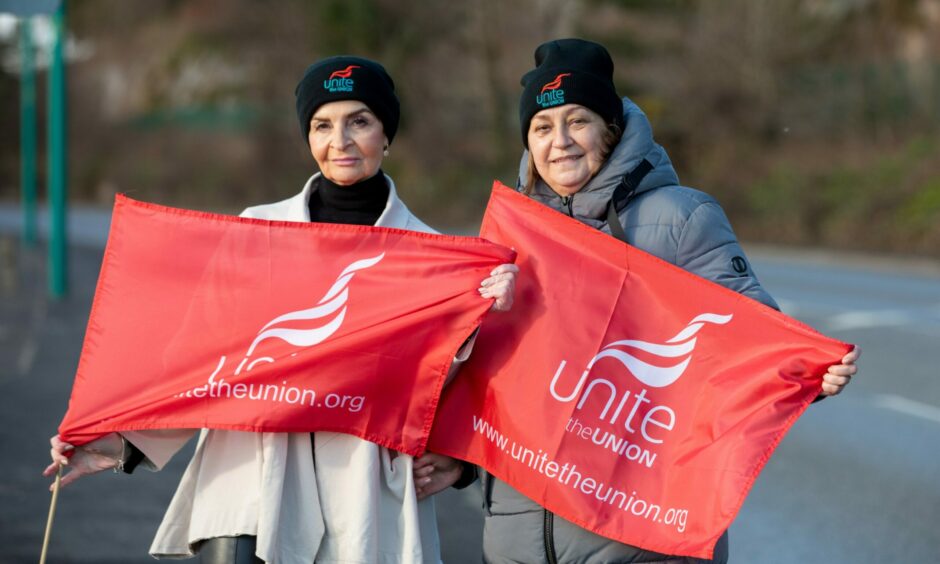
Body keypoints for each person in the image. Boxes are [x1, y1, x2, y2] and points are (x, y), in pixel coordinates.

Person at [44, 55, 518, 564]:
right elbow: (205, 363)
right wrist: (121, 442)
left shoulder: (433, 256)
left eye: (359, 121)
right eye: (322, 125)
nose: (339, 140)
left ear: (387, 133)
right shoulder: (258, 232)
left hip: (360, 492)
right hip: (251, 481)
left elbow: (451, 394)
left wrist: (484, 317)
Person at [480, 38, 861, 564]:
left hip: (637, 530)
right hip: (518, 529)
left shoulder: (681, 219)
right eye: (543, 127)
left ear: (610, 131)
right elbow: (481, 378)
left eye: (578, 121)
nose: (561, 142)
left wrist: (808, 372)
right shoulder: (509, 239)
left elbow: (750, 336)